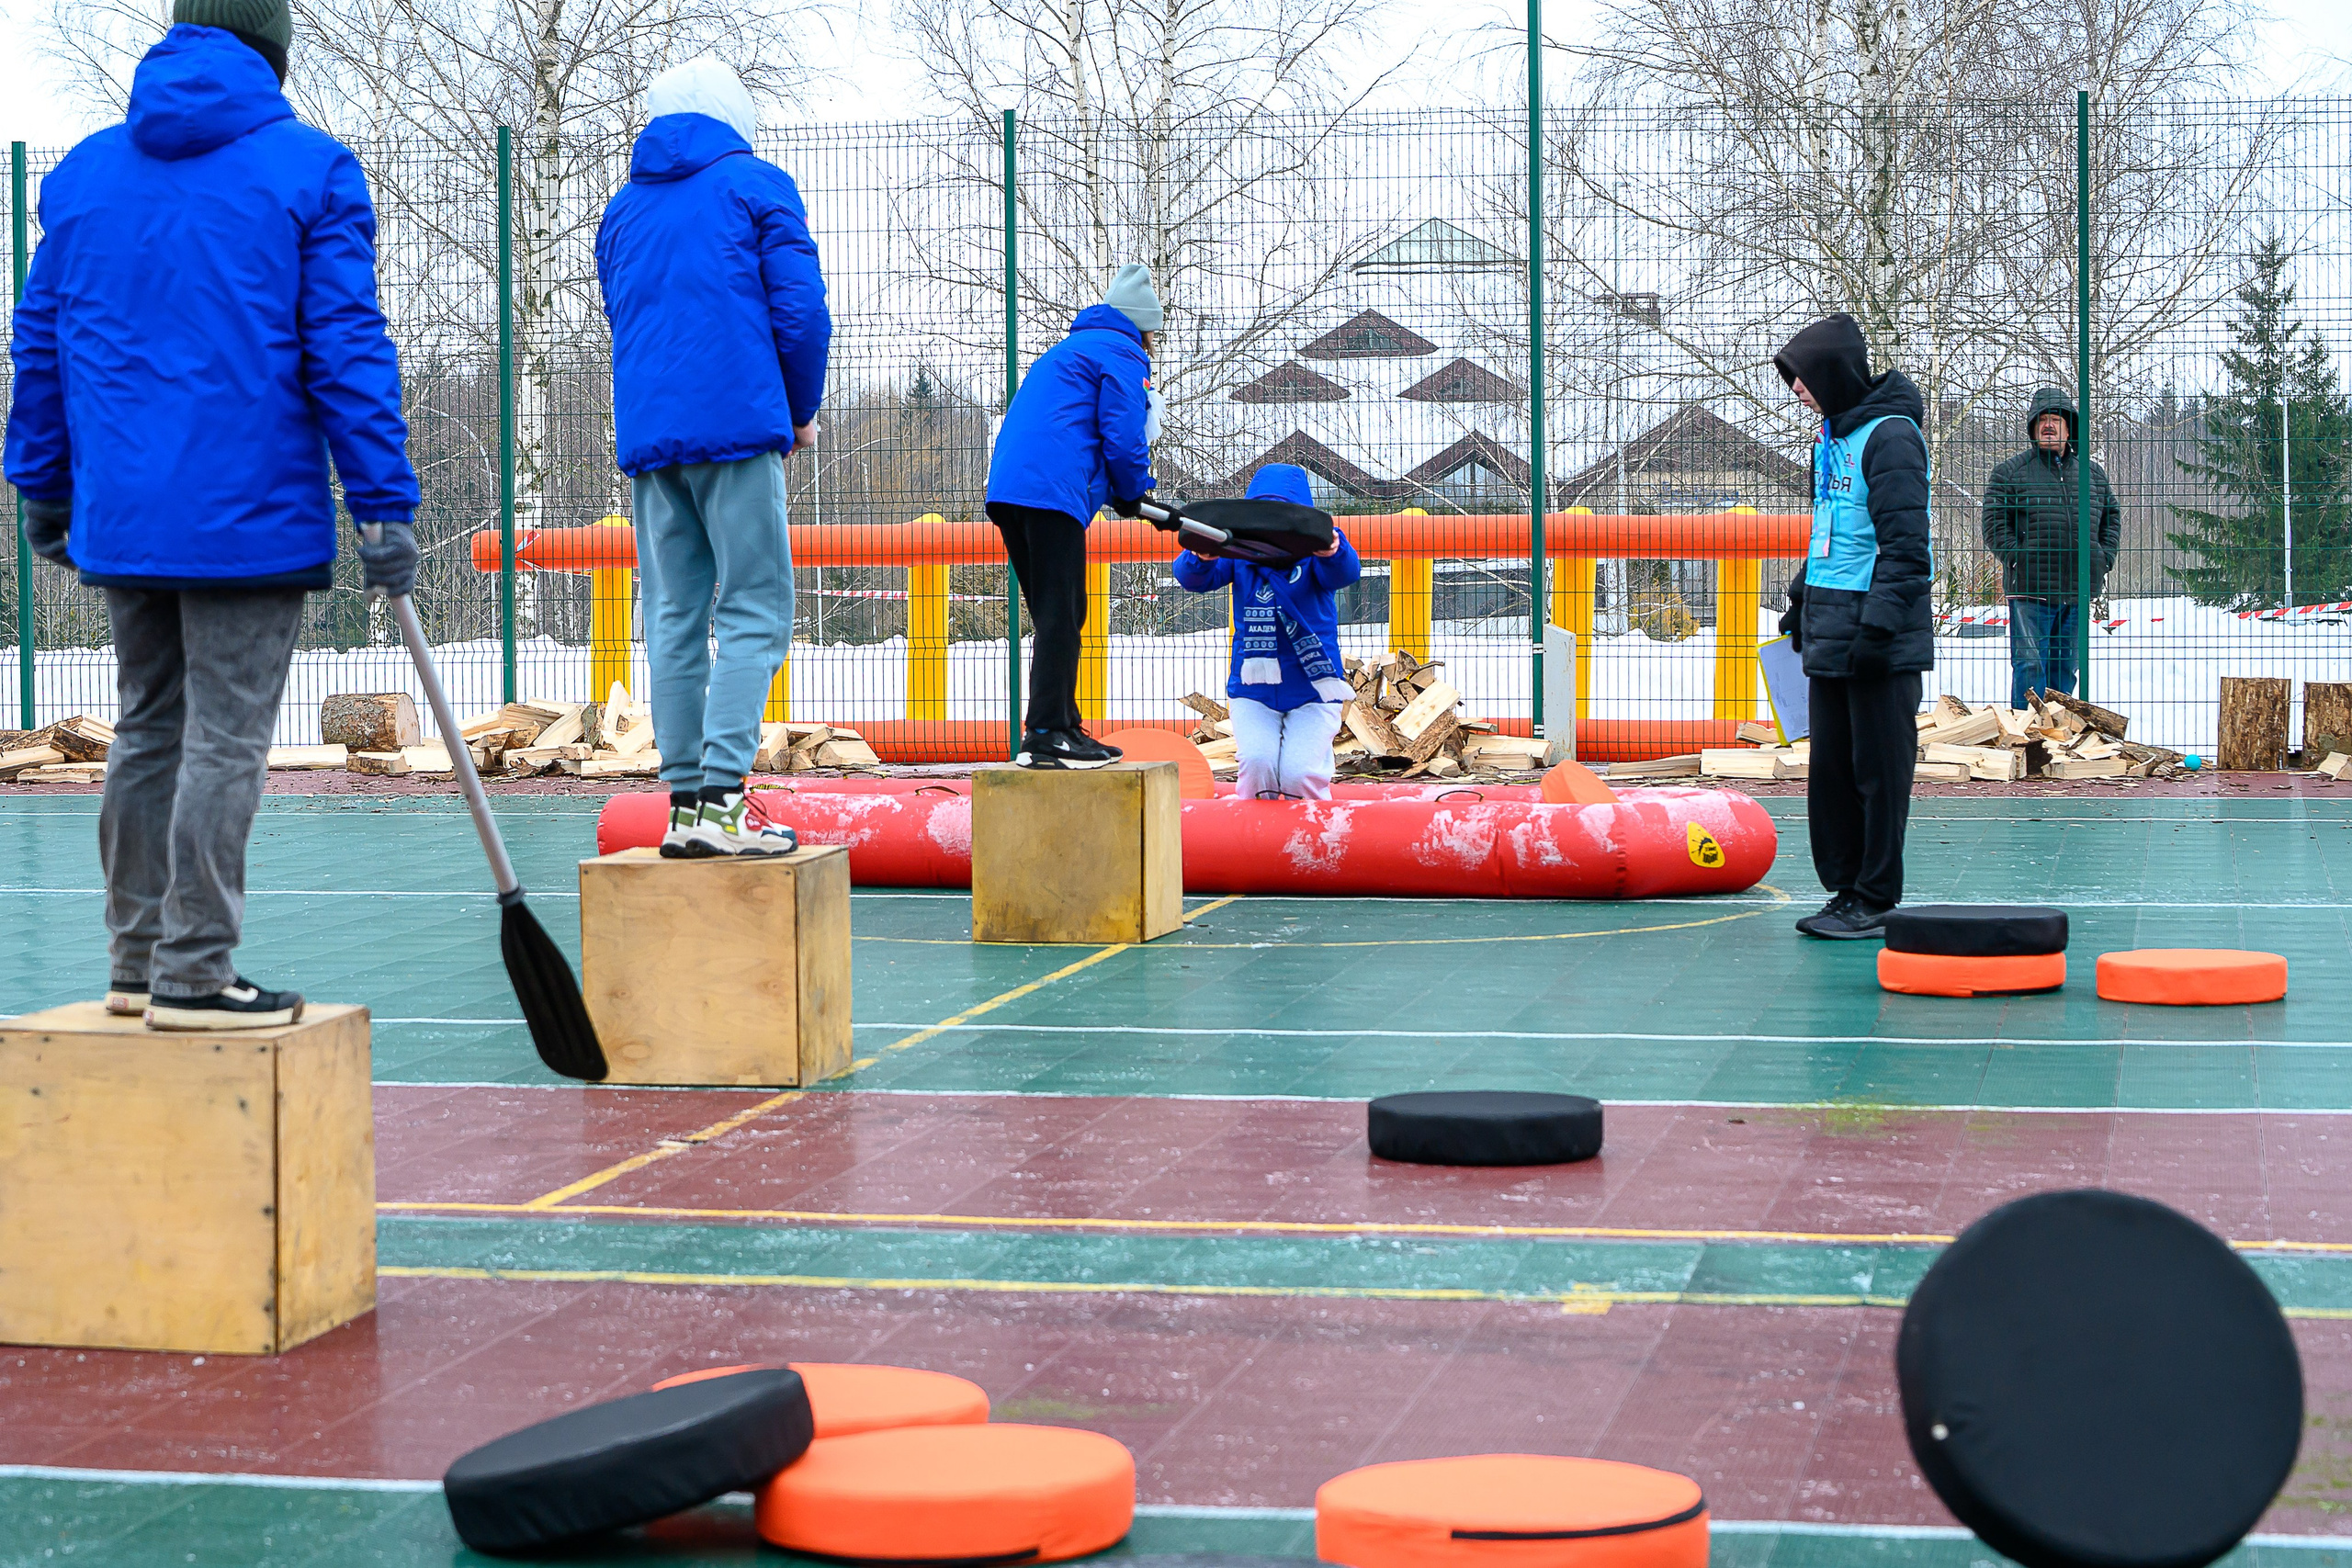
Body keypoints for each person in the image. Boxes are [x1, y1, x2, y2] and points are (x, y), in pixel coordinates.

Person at [6, 1, 419, 1029]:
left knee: (150, 730)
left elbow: (42, 345)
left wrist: (42, 483)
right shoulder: (310, 168)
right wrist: (381, 502)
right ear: (274, 53)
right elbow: (346, 350)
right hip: (250, 513)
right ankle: (195, 971)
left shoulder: (87, 174)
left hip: (126, 513)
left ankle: (137, 962)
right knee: (225, 739)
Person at [596, 55, 830, 857]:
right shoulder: (757, 185)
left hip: (653, 445)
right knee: (756, 611)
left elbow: (621, 316)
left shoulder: (623, 209)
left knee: (672, 618)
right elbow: (800, 312)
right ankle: (727, 805)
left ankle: (688, 805)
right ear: (737, 117)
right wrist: (797, 412)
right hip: (736, 430)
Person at [1772, 313, 1934, 941]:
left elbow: (1906, 548)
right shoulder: (1830, 438)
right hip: (1833, 627)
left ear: (1835, 372)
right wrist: (1800, 600)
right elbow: (1829, 532)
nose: (1796, 388)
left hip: (1878, 638)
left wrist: (1879, 626)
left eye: (1803, 376)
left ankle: (1875, 896)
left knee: (1879, 770)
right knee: (1833, 772)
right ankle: (1845, 891)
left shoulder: (1891, 437)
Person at [986, 265, 1162, 769]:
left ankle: (1062, 726)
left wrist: (1123, 494)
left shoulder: (1069, 351)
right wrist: (1134, 491)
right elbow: (1123, 434)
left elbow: (1069, 431)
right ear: (1142, 324)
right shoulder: (1122, 354)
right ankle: (1046, 733)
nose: (1152, 342)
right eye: (1153, 333)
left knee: (1057, 611)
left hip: (1012, 489)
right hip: (1049, 492)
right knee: (1063, 613)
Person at [1170, 465, 1362, 799]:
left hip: (1314, 687)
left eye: (1282, 519)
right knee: (1257, 763)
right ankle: (1252, 844)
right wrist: (1200, 555)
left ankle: (1312, 843)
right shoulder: (1240, 555)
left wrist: (1334, 549)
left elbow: (1345, 573)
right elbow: (1193, 578)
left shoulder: (1317, 555)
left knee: (1299, 772)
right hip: (1254, 688)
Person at [1980, 386, 2121, 709]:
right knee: (2030, 668)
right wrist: (2019, 558)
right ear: (2032, 428)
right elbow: (1993, 525)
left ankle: (2060, 740)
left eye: (2056, 419)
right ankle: (2026, 741)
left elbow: (2111, 516)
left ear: (2069, 427)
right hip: (2032, 591)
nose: (2048, 425)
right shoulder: (2010, 473)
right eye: (2041, 419)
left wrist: (2103, 558)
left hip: (2077, 589)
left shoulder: (2091, 474)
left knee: (2064, 672)